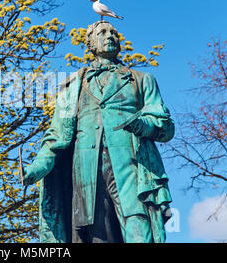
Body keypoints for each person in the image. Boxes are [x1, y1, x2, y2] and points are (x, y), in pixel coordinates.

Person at [23, 21, 174, 243]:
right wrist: (40, 165)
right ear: (91, 43)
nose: (110, 36)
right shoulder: (72, 85)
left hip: (131, 167)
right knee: (93, 235)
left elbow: (166, 127)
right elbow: (57, 134)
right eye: (103, 32)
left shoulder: (142, 80)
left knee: (138, 228)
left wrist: (144, 125)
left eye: (114, 32)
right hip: (85, 171)